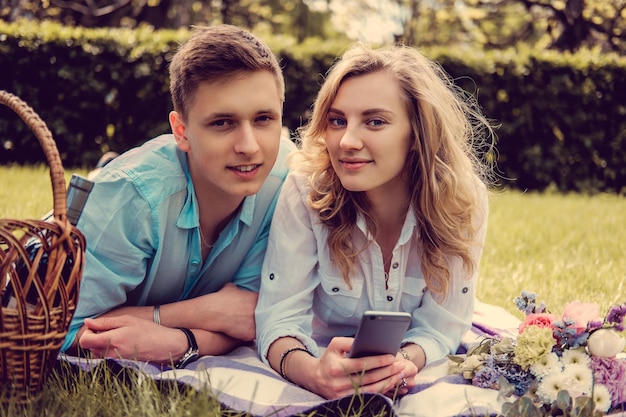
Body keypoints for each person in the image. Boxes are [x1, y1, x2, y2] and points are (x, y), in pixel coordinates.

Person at [255, 44, 495, 400]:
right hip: (319, 353)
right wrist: (311, 373)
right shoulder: (306, 189)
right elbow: (278, 317)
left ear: (417, 134)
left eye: (375, 121)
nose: (348, 141)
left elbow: (443, 325)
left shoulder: (461, 200)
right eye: (338, 121)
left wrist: (404, 362)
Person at [60, 24, 295, 368]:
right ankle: (104, 168)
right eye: (222, 123)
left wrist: (178, 342)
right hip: (100, 213)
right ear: (181, 131)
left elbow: (248, 318)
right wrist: (203, 314)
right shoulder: (132, 199)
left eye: (263, 119)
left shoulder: (283, 183)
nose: (249, 147)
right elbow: (62, 329)